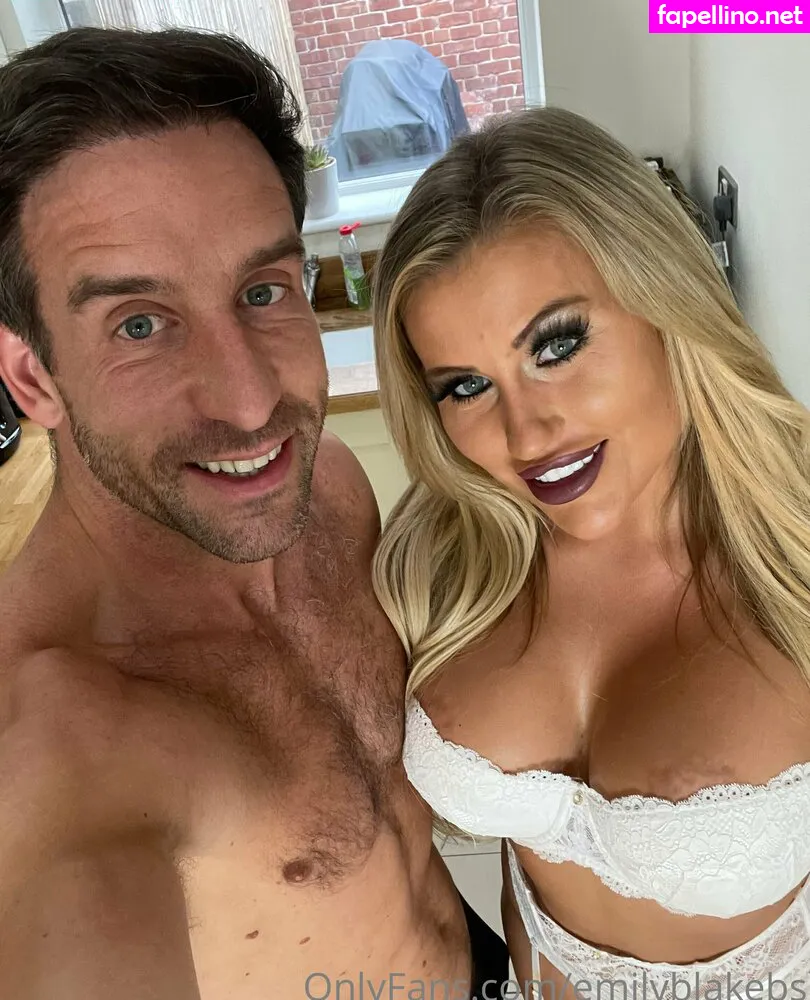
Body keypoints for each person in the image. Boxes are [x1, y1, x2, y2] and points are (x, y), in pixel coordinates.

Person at [0, 27, 509, 999]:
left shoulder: (328, 493)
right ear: (32, 376)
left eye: (262, 289)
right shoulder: (58, 748)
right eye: (140, 324)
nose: (249, 400)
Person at [371, 106, 810, 996]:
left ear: (665, 302)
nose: (526, 433)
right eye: (466, 386)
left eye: (557, 346)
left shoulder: (793, 546)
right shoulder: (442, 560)